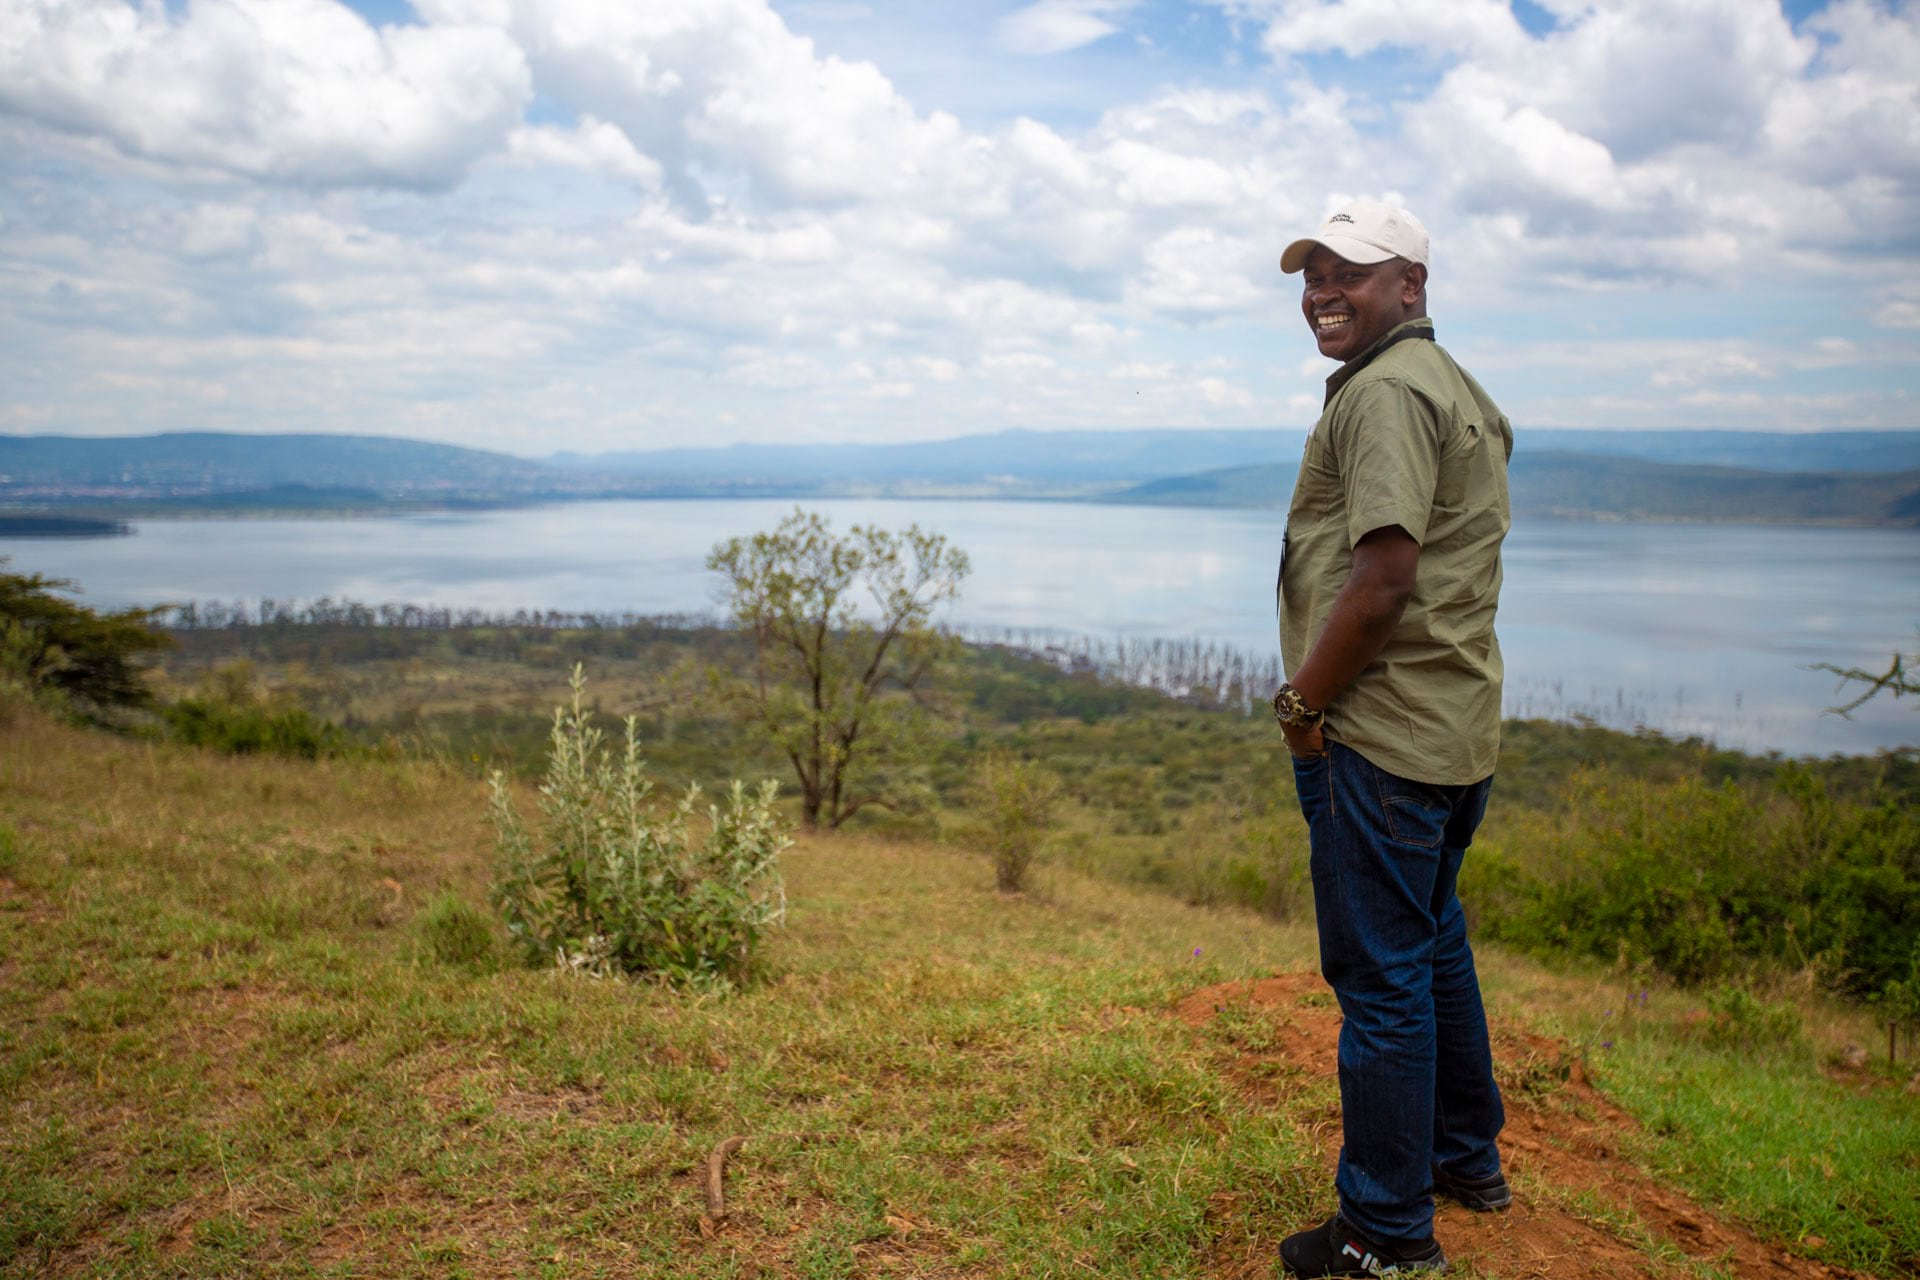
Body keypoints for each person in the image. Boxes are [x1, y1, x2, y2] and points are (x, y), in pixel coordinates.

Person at [1269, 199, 1514, 1277]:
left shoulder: (1384, 394)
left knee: (1380, 977)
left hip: (1382, 738)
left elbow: (1381, 581)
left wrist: (1304, 708)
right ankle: (1468, 1159)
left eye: (1349, 270)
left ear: (1410, 283)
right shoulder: (1455, 386)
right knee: (1431, 944)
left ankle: (1383, 1233)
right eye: (1311, 269)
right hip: (1453, 734)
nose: (1322, 286)